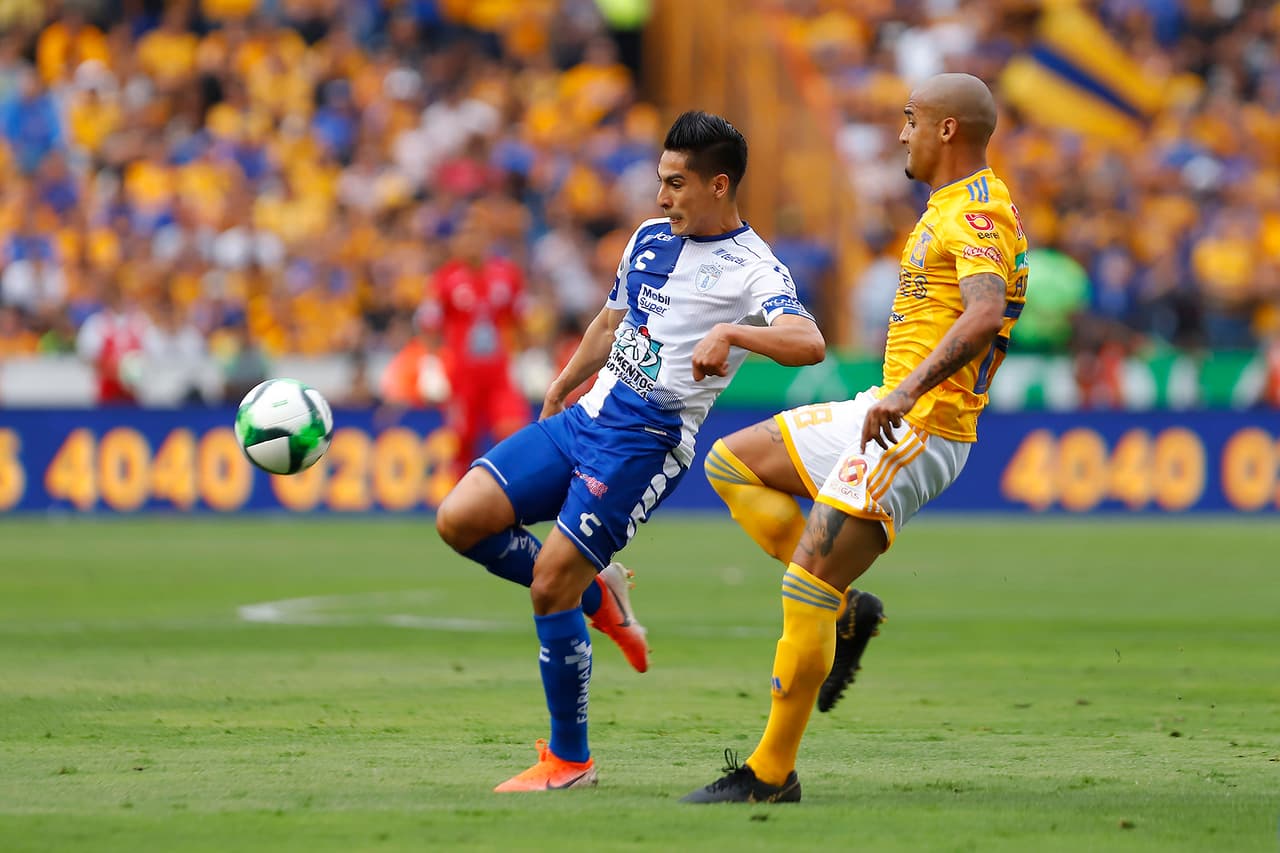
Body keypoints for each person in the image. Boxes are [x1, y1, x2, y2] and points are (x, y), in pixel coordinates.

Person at [434, 111, 826, 792]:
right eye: (660, 181)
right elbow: (612, 319)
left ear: (719, 185)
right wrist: (563, 381)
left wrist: (735, 333)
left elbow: (808, 340)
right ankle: (598, 592)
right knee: (460, 517)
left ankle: (571, 760)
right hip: (587, 413)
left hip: (645, 442)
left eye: (676, 184)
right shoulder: (648, 237)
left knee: (548, 581)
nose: (661, 197)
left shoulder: (752, 267)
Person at [682, 73, 1030, 803]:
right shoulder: (945, 209)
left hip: (919, 424)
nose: (900, 133)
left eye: (910, 120)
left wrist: (906, 392)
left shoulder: (976, 214)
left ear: (945, 131)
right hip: (885, 405)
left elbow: (984, 312)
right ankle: (845, 610)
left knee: (802, 582)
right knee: (731, 463)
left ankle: (770, 774)